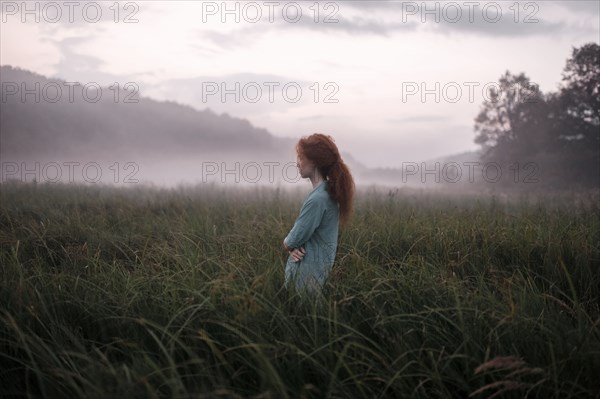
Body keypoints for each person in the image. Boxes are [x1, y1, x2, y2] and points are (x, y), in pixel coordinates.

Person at [282, 133, 355, 293]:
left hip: (305, 279)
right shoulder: (327, 194)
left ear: (314, 161)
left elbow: (293, 239)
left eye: (301, 158)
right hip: (314, 275)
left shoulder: (318, 199)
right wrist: (292, 247)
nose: (297, 164)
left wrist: (288, 245)